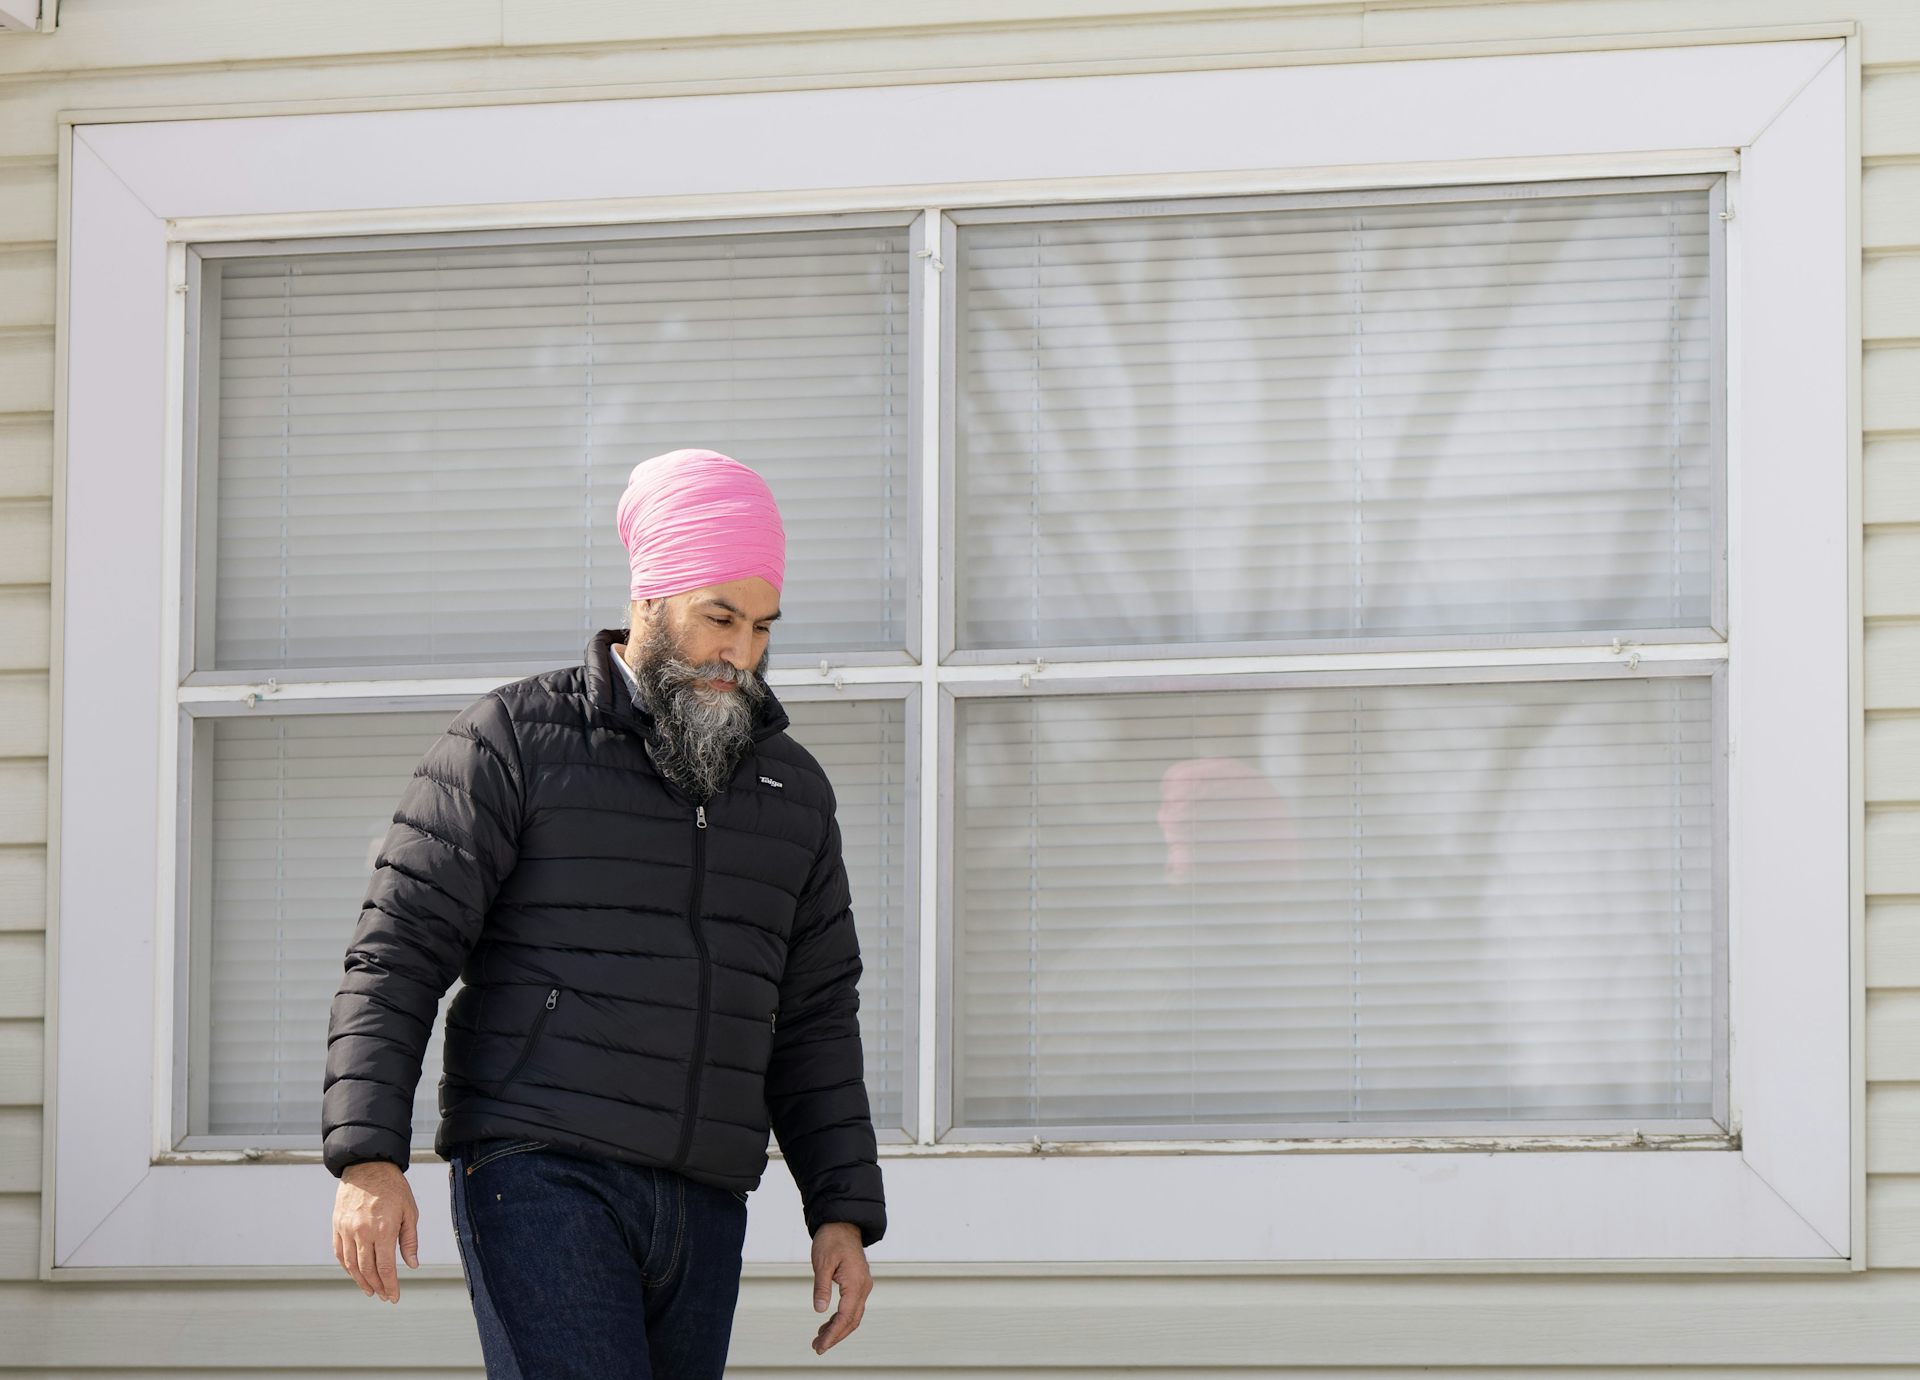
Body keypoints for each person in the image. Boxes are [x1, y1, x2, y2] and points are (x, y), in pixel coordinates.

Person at [322, 448, 885, 1377]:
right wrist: (369, 1159)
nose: (741, 654)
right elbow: (398, 953)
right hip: (540, 1168)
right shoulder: (513, 743)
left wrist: (841, 1210)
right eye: (719, 619)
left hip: (705, 1196)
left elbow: (816, 1014)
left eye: (761, 627)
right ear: (650, 597)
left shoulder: (791, 791)